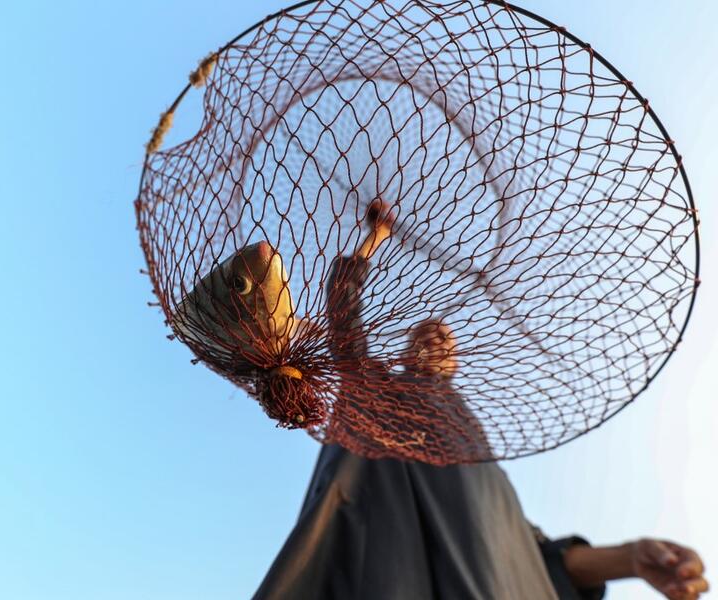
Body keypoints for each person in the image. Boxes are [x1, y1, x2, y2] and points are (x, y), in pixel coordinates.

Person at [253, 201, 708, 600]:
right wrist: (375, 239)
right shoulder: (378, 391)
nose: (434, 339)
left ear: (454, 362)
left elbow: (530, 556)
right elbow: (344, 321)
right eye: (424, 335)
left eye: (444, 339)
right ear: (407, 353)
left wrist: (630, 558)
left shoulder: (488, 465)